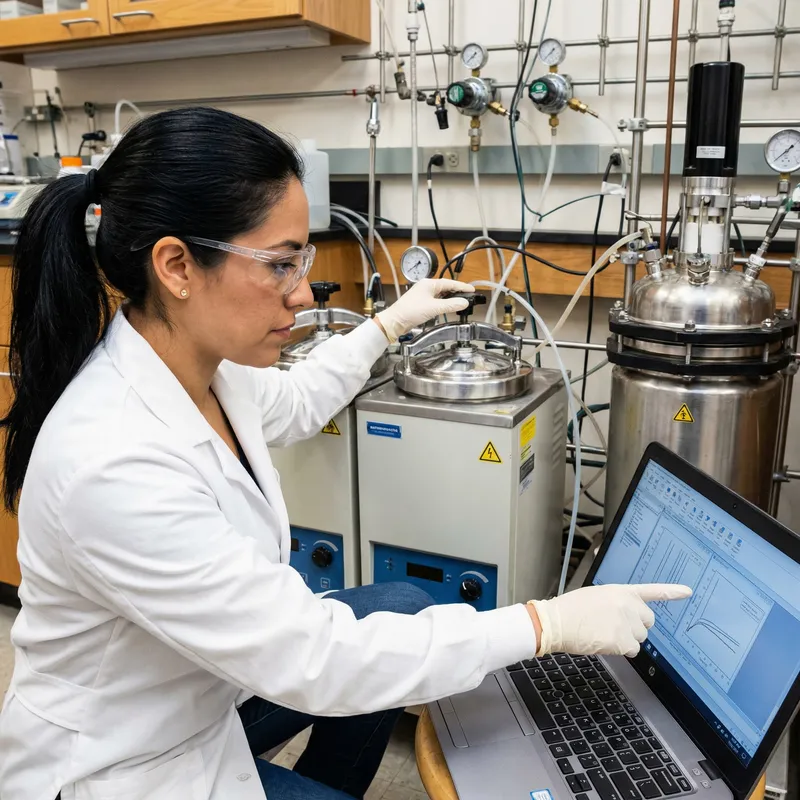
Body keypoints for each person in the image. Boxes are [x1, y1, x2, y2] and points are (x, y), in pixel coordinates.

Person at [0, 107, 691, 800]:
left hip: (199, 689)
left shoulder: (201, 366)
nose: (301, 293)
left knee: (399, 599)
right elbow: (317, 658)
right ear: (177, 265)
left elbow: (297, 400)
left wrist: (389, 323)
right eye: (278, 264)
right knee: (356, 652)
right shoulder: (115, 462)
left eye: (301, 259)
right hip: (126, 763)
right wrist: (546, 623)